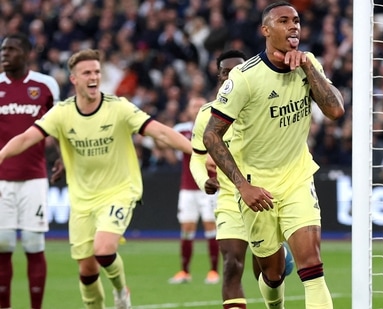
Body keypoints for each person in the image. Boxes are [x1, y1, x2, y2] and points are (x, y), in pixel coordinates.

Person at [0, 49, 194, 309]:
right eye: (87, 73)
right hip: (81, 200)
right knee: (87, 272)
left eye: (97, 72)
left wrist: (198, 151)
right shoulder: (62, 112)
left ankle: (121, 291)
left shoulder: (119, 107)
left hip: (119, 191)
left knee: (104, 249)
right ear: (74, 80)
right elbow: (26, 137)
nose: (94, 77)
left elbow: (159, 131)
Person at [203, 2, 345, 308]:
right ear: (266, 31)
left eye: (296, 21)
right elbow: (211, 135)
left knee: (311, 265)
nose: (294, 26)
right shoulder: (244, 78)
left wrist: (307, 66)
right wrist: (243, 185)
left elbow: (335, 110)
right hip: (256, 186)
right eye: (284, 21)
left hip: (296, 177)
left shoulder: (309, 65)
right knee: (273, 272)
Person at [191, 49, 294, 309]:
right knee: (231, 263)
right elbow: (196, 156)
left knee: (266, 273)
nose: (231, 75)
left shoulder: (262, 105)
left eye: (237, 69)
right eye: (226, 71)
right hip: (229, 198)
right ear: (219, 75)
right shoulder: (206, 114)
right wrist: (204, 180)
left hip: (264, 196)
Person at [0, 33, 61, 309]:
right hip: (2, 178)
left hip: (34, 177)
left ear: (26, 54)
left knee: (34, 242)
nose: (4, 54)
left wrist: (61, 156)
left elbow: (59, 123)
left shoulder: (45, 85)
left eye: (11, 50)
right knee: (3, 245)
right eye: (3, 50)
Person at [168, 96, 220, 285]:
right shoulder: (181, 130)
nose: (197, 108)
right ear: (188, 109)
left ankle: (214, 271)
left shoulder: (215, 127)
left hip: (209, 186)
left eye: (200, 105)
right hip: (188, 188)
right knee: (187, 228)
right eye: (193, 105)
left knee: (210, 227)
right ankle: (184, 271)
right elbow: (171, 150)